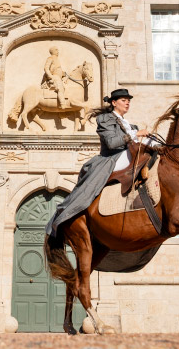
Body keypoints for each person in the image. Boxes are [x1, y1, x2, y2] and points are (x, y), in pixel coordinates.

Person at [46, 88, 152, 237]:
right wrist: (135, 134)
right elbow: (111, 143)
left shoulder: (129, 124)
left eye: (128, 100)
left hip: (129, 155)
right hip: (112, 158)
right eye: (123, 100)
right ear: (114, 103)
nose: (127, 103)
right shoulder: (105, 119)